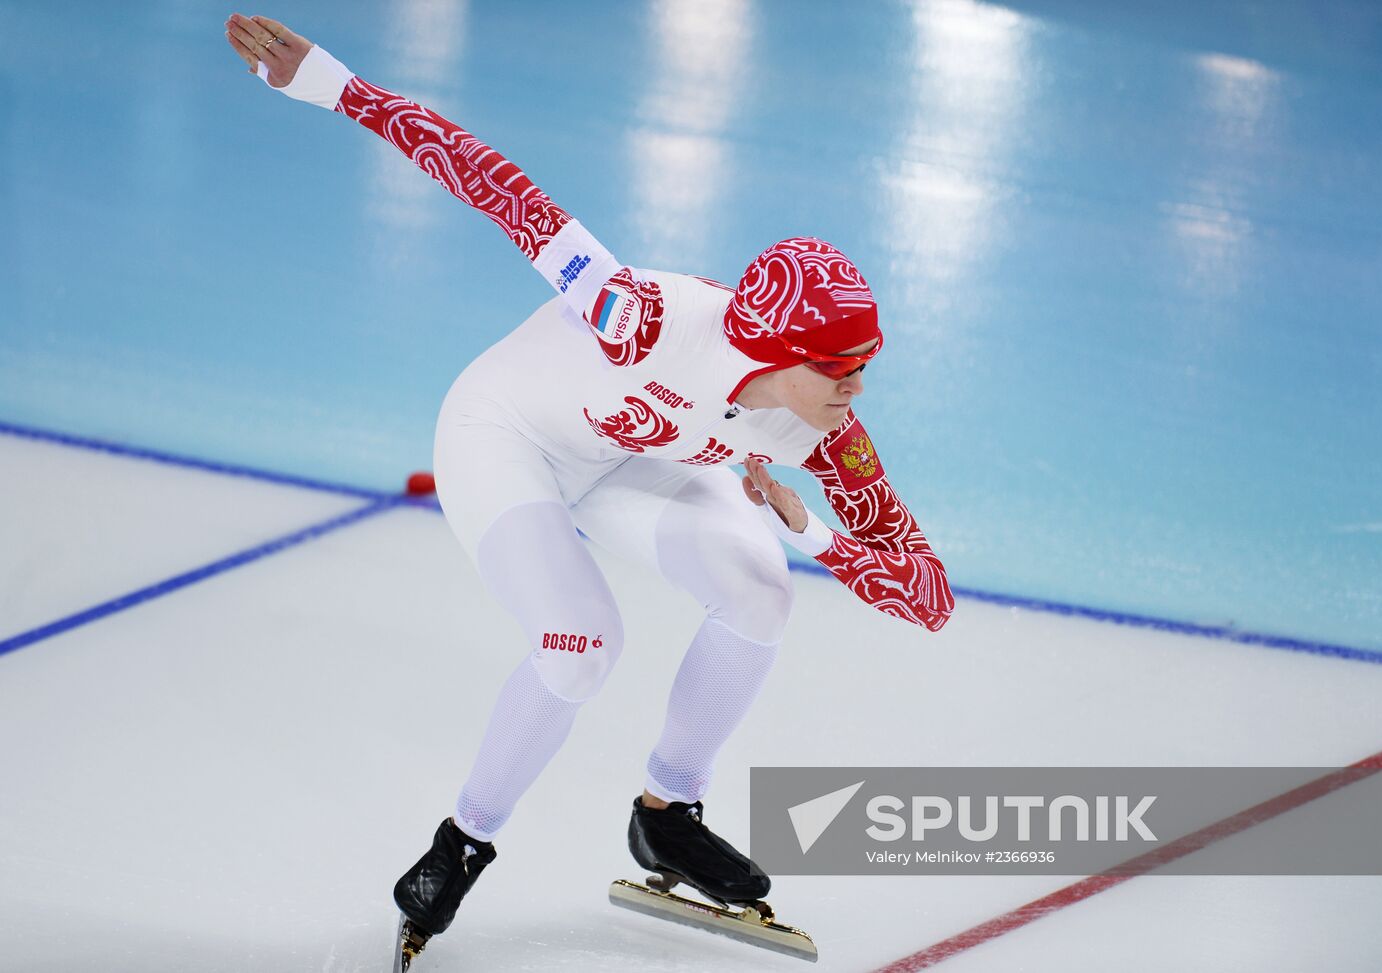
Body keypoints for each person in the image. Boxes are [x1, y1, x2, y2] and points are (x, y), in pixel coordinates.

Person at [225, 11, 954, 961]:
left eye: (867, 364)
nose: (858, 389)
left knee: (761, 590)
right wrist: (331, 83)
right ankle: (463, 840)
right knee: (581, 645)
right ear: (780, 352)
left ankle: (669, 811)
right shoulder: (642, 318)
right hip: (507, 438)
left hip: (627, 465)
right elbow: (495, 185)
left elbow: (930, 595)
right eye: (841, 368)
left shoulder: (821, 432)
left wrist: (810, 532)